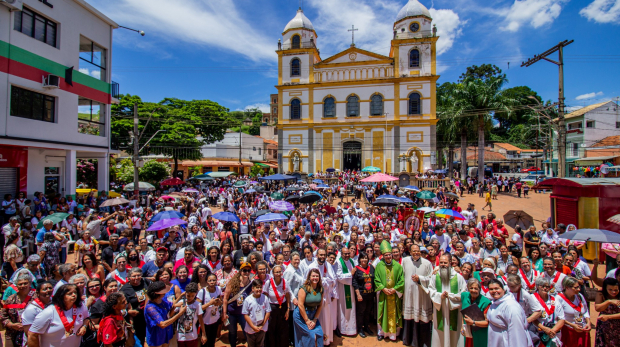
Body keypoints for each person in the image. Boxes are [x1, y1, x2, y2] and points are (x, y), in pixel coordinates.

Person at [428, 253, 467, 347]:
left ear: (450, 263)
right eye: (441, 262)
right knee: (440, 334)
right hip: (440, 309)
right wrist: (440, 296)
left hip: (454, 309)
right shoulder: (435, 276)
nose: (443, 264)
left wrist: (451, 296)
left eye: (445, 262)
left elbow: (464, 293)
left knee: (454, 334)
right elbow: (431, 290)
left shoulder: (458, 277)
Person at [401, 244, 433, 347]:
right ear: (410, 252)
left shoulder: (427, 263)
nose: (416, 253)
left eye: (418, 251)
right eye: (414, 251)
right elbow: (402, 276)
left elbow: (431, 279)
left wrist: (420, 279)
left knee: (421, 317)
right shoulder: (405, 261)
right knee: (409, 317)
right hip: (409, 295)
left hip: (421, 295)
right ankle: (408, 340)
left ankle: (421, 341)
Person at [374, 240, 405, 341]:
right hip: (383, 294)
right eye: (386, 255)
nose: (388, 257)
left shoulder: (397, 266)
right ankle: (381, 333)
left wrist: (395, 289)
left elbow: (401, 280)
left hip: (394, 294)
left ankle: (393, 334)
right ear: (383, 255)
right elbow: (376, 279)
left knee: (394, 312)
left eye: (389, 255)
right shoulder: (379, 266)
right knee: (382, 312)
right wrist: (383, 288)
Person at [486, 279, 532, 346]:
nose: (494, 291)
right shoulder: (494, 303)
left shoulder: (511, 306)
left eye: (496, 288)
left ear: (503, 289)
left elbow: (517, 332)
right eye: (491, 289)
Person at [307, 248, 337, 345]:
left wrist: (325, 282)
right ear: (316, 255)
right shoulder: (311, 267)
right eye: (320, 255)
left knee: (326, 319)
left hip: (326, 297)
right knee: (316, 318)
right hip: (315, 297)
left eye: (324, 255)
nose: (322, 257)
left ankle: (325, 340)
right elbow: (306, 281)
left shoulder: (328, 265)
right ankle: (315, 341)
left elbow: (333, 280)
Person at [144, 281, 187, 347]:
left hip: (165, 334)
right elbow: (163, 324)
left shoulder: (162, 299)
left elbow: (172, 305)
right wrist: (180, 313)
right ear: (157, 294)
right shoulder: (150, 308)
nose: (165, 292)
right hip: (156, 338)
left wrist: (180, 297)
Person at [222, 262, 253, 347]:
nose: (246, 272)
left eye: (248, 270)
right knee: (232, 332)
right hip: (231, 313)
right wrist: (224, 313)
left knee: (246, 331)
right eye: (244, 270)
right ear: (240, 271)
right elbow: (225, 299)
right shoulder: (232, 283)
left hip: (243, 313)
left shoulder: (251, 285)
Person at [1, 273, 36, 347]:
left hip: (32, 332)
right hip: (13, 332)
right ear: (16, 286)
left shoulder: (37, 297)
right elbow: (3, 316)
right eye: (20, 284)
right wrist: (12, 325)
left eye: (25, 283)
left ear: (30, 283)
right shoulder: (11, 299)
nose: (23, 286)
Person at [293, 268, 325, 347]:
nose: (315, 278)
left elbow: (320, 305)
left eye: (317, 276)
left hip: (313, 314)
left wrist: (314, 319)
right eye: (313, 276)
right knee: (310, 336)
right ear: (309, 277)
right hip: (301, 315)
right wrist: (307, 320)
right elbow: (300, 305)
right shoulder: (304, 288)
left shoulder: (320, 289)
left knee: (320, 334)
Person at [556, 276, 591, 347]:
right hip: (568, 332)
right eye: (575, 287)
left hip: (583, 330)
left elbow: (585, 311)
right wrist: (573, 325)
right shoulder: (558, 299)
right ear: (567, 287)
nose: (578, 289)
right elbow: (558, 317)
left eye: (579, 287)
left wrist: (588, 323)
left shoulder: (580, 296)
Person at [120, 267, 150, 346]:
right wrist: (129, 312)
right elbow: (121, 306)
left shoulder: (145, 282)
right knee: (139, 340)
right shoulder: (124, 289)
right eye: (133, 276)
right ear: (129, 278)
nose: (136, 278)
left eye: (138, 275)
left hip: (148, 316)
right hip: (136, 319)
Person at [533, 277, 565, 347]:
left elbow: (561, 319)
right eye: (542, 286)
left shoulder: (555, 300)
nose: (545, 288)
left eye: (547, 286)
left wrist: (552, 331)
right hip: (537, 334)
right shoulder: (532, 298)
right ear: (537, 286)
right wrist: (544, 329)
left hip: (553, 334)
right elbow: (531, 317)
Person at [263, 264, 289, 347]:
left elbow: (288, 295)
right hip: (272, 308)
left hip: (283, 307)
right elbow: (265, 296)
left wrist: (288, 309)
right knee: (272, 329)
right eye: (276, 272)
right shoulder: (269, 282)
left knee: (282, 329)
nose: (278, 273)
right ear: (273, 273)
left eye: (279, 272)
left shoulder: (285, 281)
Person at [174, 282, 207, 347]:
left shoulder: (197, 305)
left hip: (192, 336)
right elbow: (173, 305)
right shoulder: (181, 302)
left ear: (195, 294)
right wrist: (180, 296)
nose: (190, 298)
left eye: (192, 296)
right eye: (188, 296)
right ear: (185, 293)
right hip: (180, 336)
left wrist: (203, 334)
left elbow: (201, 320)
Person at [461, 278, 491, 347]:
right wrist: (462, 326)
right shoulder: (464, 296)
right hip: (468, 332)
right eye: (471, 288)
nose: (473, 290)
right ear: (468, 288)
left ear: (479, 289)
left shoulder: (485, 302)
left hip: (480, 334)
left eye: (476, 288)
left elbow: (487, 323)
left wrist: (473, 322)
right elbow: (463, 312)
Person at [22, 280, 53, 346]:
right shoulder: (31, 309)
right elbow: (29, 333)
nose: (48, 290)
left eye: (50, 288)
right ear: (37, 293)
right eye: (44, 289)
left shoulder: (55, 303)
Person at [283, 251, 305, 345]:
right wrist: (293, 299)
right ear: (291, 260)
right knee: (292, 323)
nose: (297, 261)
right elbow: (287, 287)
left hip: (299, 300)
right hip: (292, 302)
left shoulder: (299, 269)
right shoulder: (289, 271)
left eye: (298, 259)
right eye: (295, 259)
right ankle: (292, 340)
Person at [243, 278, 272, 347]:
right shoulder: (248, 300)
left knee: (260, 344)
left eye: (260, 287)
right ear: (253, 289)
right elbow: (245, 314)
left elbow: (268, 311)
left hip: (262, 327)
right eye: (257, 287)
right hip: (251, 328)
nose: (259, 289)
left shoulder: (265, 298)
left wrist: (263, 324)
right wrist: (253, 326)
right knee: (251, 345)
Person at [334, 245, 357, 336]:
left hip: (351, 288)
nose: (347, 255)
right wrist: (350, 274)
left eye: (348, 253)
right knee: (343, 309)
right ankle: (343, 329)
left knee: (351, 309)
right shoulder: (338, 262)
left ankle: (351, 329)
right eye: (345, 254)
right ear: (341, 254)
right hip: (343, 289)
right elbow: (339, 276)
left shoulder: (352, 261)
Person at [351, 252, 374, 338]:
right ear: (359, 259)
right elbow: (355, 282)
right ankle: (360, 328)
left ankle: (366, 327)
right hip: (361, 295)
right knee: (361, 312)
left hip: (370, 294)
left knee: (368, 312)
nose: (364, 260)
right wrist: (358, 294)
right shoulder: (357, 269)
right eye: (362, 258)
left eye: (366, 258)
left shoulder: (371, 267)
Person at [198, 273, 223, 347]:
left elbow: (221, 302)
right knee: (205, 343)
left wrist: (218, 302)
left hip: (215, 320)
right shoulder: (202, 292)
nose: (212, 282)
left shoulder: (218, 289)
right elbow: (198, 308)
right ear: (206, 282)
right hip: (205, 322)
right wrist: (210, 303)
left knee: (212, 342)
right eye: (210, 280)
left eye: (214, 280)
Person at [594, 278, 620, 347]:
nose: (613, 292)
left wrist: (608, 316)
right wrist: (608, 301)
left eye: (616, 290)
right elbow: (598, 308)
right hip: (604, 327)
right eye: (610, 290)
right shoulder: (601, 294)